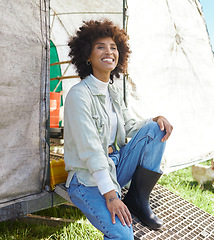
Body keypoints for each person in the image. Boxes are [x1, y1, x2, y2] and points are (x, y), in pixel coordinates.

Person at [64, 19, 173, 239]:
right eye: (100, 47)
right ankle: (121, 202)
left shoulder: (112, 93)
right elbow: (91, 152)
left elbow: (130, 126)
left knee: (155, 129)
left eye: (113, 47)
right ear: (87, 55)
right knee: (123, 235)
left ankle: (138, 199)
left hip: (115, 167)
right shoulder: (79, 95)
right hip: (86, 179)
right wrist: (112, 196)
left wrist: (156, 119)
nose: (109, 52)